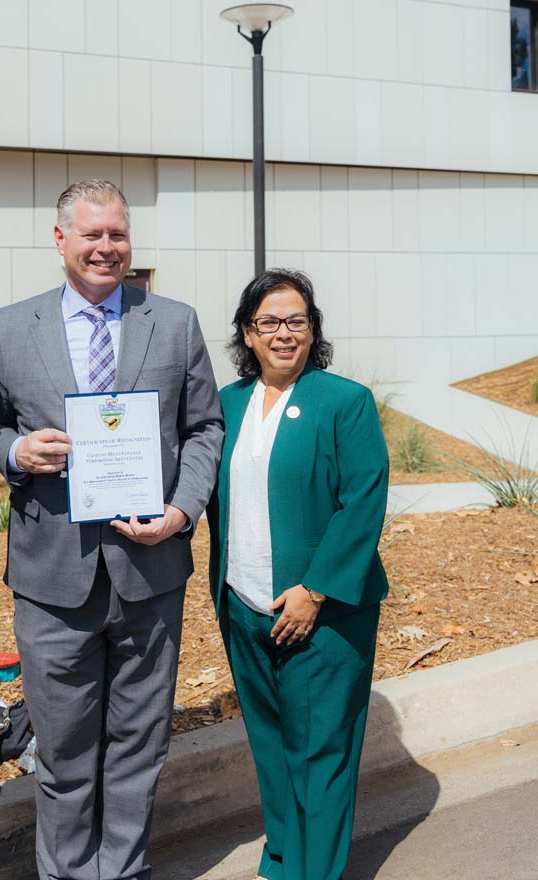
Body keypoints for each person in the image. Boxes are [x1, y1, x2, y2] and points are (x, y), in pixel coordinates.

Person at [0, 178, 223, 880]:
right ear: (61, 240)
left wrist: (181, 512)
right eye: (93, 234)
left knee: (139, 746)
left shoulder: (172, 321)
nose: (107, 248)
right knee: (62, 751)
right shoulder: (8, 326)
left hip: (151, 572)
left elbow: (204, 426)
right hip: (53, 576)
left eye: (117, 234)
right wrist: (15, 452)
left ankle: (123, 871)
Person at [208, 269, 388, 880]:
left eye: (297, 321)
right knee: (272, 742)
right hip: (243, 600)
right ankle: (284, 856)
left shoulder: (344, 401)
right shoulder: (226, 404)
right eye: (269, 323)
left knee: (321, 750)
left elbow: (363, 502)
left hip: (323, 609)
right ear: (247, 333)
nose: (284, 334)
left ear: (313, 330)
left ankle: (316, 871)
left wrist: (314, 591)